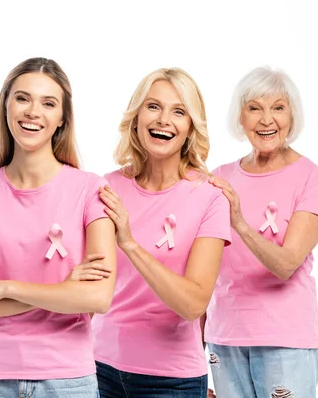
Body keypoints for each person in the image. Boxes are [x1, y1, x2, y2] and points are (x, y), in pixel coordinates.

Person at [0, 57, 117, 397]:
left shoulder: (90, 190)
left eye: (48, 103)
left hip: (68, 377)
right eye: (23, 98)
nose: (33, 111)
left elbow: (97, 297)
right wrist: (64, 291)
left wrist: (1, 288)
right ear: (6, 105)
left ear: (62, 119)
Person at [82, 68, 231, 398]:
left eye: (178, 111)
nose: (164, 119)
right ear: (136, 118)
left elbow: (193, 303)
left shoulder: (210, 197)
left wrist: (130, 244)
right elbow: (90, 286)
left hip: (171, 380)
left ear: (191, 127)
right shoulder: (107, 187)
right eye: (153, 106)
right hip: (97, 368)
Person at [204, 67, 318, 398]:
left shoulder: (314, 179)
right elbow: (203, 265)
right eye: (254, 108)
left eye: (278, 108)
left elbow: (286, 264)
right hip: (224, 337)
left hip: (285, 340)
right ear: (241, 118)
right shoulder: (219, 177)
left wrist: (239, 222)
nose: (266, 120)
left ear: (292, 116)